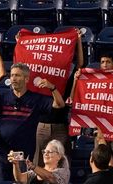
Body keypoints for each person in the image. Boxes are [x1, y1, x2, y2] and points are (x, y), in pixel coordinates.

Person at [0, 63, 65, 181]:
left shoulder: (36, 99)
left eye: (17, 75)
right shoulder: (3, 97)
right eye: (12, 75)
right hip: (2, 154)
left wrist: (52, 88)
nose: (13, 78)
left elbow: (59, 105)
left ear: (26, 79)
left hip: (25, 156)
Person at [33, 29, 84, 167]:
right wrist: (21, 43)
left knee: (62, 162)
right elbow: (26, 59)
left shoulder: (68, 76)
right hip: (42, 125)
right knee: (39, 162)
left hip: (61, 125)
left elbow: (80, 64)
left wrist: (78, 40)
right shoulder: (39, 71)